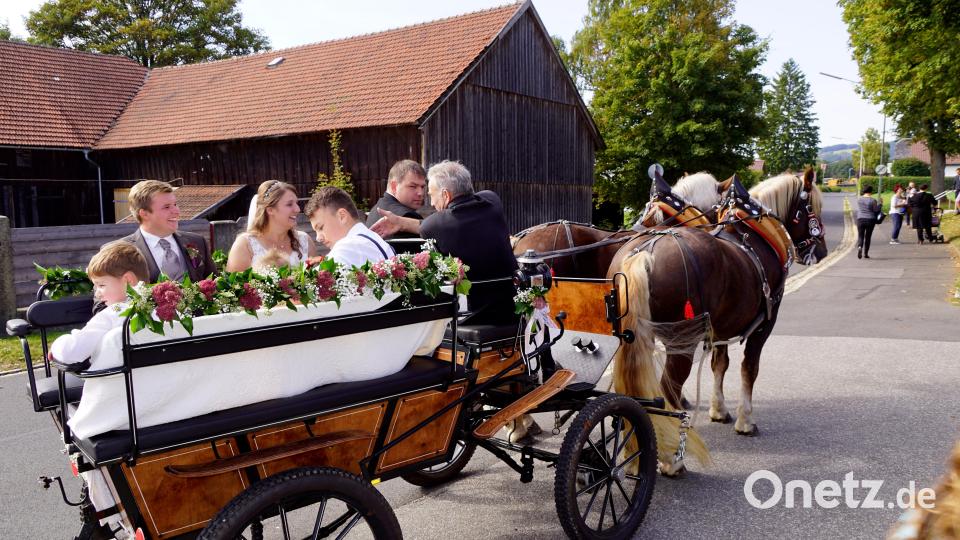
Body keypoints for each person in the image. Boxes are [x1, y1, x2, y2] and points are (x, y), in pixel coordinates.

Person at [49, 241, 150, 514]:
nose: (97, 293)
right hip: (156, 403)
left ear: (128, 280)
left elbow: (72, 351)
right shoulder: (161, 308)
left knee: (72, 423)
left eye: (102, 285)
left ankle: (106, 506)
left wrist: (58, 344)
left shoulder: (113, 315)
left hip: (122, 411)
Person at [371, 160, 518, 324]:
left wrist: (401, 222)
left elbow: (431, 226)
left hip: (474, 315)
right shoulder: (492, 200)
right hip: (513, 305)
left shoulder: (434, 225)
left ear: (446, 195)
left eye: (431, 195)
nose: (431, 203)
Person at [121, 180, 215, 282]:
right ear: (144, 214)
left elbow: (214, 284)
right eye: (166, 207)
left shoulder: (197, 241)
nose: (176, 211)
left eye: (175, 204)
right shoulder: (121, 252)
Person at [226, 180, 317, 272]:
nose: (297, 209)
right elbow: (235, 280)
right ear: (270, 210)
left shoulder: (305, 241)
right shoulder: (245, 245)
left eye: (296, 203)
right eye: (289, 204)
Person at [306, 186, 394, 267]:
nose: (318, 238)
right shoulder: (378, 240)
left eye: (321, 227)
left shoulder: (347, 247)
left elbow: (317, 277)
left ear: (342, 216)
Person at [365, 160, 431, 239]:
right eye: (413, 186)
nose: (421, 193)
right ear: (394, 187)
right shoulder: (408, 216)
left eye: (422, 187)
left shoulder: (375, 209)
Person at [856, 185, 881, 259]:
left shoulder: (859, 199)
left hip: (860, 219)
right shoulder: (873, 200)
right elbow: (876, 211)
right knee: (868, 237)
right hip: (870, 220)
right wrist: (880, 204)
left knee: (860, 236)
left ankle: (860, 247)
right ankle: (866, 254)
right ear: (871, 191)